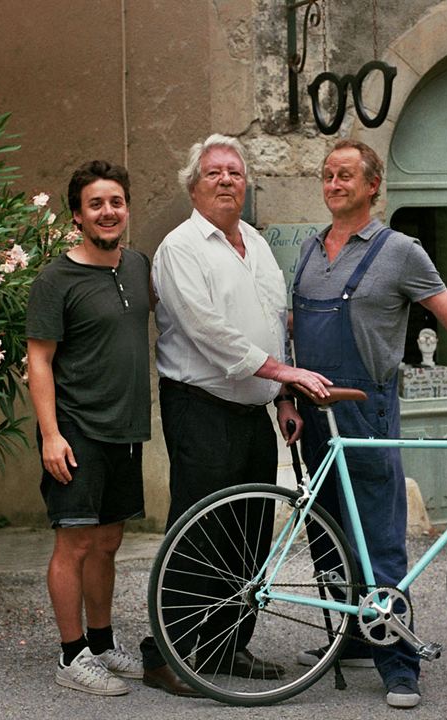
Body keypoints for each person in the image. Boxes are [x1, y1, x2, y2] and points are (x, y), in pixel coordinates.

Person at [291, 139, 447, 709]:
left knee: (379, 535)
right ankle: (352, 637)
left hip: (366, 406)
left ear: (373, 185)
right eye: (327, 174)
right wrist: (285, 394)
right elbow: (291, 328)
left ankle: (399, 663)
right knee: (328, 530)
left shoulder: (400, 252)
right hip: (312, 407)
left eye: (345, 175)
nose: (333, 183)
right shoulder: (308, 247)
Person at [140, 134, 332, 692]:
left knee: (249, 535)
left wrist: (283, 397)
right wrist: (283, 374)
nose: (227, 180)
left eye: (235, 172)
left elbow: (274, 319)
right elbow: (209, 334)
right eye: (214, 172)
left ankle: (226, 647)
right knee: (198, 532)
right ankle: (167, 655)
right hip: (201, 408)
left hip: (253, 409)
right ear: (193, 186)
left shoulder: (255, 241)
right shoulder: (180, 249)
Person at [26, 160, 149, 697]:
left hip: (125, 430)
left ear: (127, 209)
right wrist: (51, 434)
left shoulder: (139, 266)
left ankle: (100, 644)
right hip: (75, 429)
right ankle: (71, 655)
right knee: (74, 542)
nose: (108, 211)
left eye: (116, 202)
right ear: (78, 215)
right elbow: (39, 361)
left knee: (108, 541)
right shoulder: (56, 279)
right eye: (95, 204)